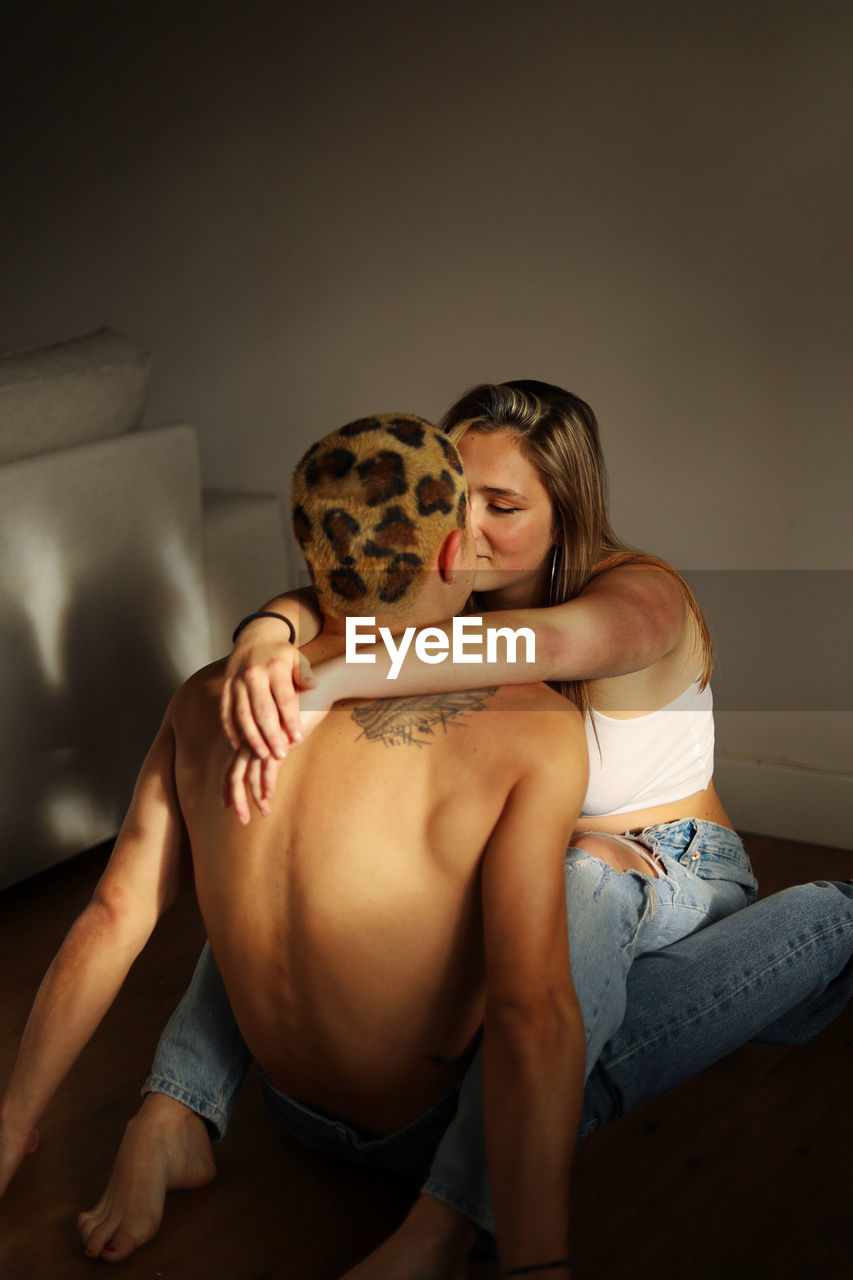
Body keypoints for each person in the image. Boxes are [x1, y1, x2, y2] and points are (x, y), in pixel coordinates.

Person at [204, 380, 853, 1272]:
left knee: (583, 875)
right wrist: (267, 633)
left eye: (502, 506)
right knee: (293, 832)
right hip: (518, 879)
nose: (464, 530)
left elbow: (546, 646)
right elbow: (325, 595)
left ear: (566, 513)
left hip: (668, 868)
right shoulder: (450, 594)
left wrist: (327, 673)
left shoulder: (642, 595)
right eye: (450, 499)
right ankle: (177, 1103)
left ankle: (449, 1216)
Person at [0, 414, 598, 1276]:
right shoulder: (532, 724)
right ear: (448, 555)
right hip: (426, 1134)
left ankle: (170, 1116)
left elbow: (111, 914)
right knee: (613, 906)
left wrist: (12, 1123)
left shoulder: (208, 699)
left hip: (279, 1105)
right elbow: (528, 1013)